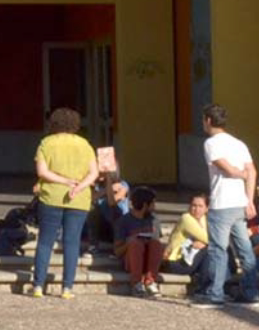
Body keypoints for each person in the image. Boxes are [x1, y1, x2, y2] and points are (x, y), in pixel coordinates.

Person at [192, 103, 259, 308]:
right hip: (239, 203)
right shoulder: (239, 143)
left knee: (218, 249)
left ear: (209, 120)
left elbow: (227, 169)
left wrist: (240, 173)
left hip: (221, 203)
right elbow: (253, 171)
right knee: (245, 249)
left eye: (204, 119)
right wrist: (249, 200)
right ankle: (251, 293)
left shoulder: (211, 143)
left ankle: (215, 294)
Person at [29, 107, 98, 299]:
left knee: (45, 241)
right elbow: (94, 173)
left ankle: (38, 286)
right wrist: (78, 186)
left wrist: (63, 181)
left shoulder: (46, 143)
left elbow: (42, 172)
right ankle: (67, 288)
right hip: (78, 199)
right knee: (72, 242)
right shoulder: (85, 144)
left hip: (51, 196)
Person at [113, 185, 164, 296]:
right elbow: (117, 252)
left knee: (156, 244)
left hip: (149, 260)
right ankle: (136, 284)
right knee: (136, 244)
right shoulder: (124, 222)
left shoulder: (154, 220)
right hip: (131, 259)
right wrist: (129, 242)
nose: (155, 206)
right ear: (145, 205)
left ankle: (150, 281)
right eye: (153, 203)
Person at [163, 194, 211, 282]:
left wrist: (204, 243)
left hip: (190, 259)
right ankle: (205, 286)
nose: (196, 209)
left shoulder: (204, 219)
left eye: (200, 206)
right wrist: (204, 244)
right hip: (177, 262)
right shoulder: (186, 218)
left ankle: (205, 284)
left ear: (207, 209)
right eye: (194, 205)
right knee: (210, 249)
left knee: (211, 250)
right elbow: (208, 239)